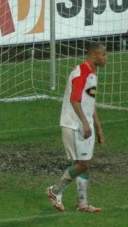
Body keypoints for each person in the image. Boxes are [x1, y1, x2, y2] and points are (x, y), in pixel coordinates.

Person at [46, 42, 108, 213]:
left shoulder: (92, 74)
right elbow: (75, 99)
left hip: (85, 125)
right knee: (82, 164)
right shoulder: (81, 73)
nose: (106, 59)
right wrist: (85, 123)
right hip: (73, 125)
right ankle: (55, 191)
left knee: (85, 164)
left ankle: (82, 203)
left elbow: (90, 103)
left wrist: (98, 127)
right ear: (94, 55)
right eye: (104, 55)